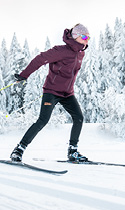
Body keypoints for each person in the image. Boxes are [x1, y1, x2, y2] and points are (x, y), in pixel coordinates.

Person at [10, 24, 90, 162]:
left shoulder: (80, 53)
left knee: (79, 118)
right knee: (43, 120)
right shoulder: (60, 51)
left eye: (88, 37)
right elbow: (40, 59)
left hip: (68, 93)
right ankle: (18, 150)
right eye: (84, 37)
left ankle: (73, 151)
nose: (86, 40)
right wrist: (24, 75)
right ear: (76, 37)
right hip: (52, 92)